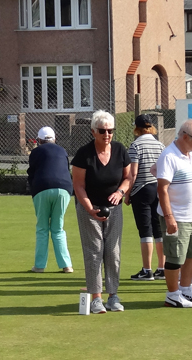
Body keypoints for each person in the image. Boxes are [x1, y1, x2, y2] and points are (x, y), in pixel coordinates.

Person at [71, 110, 131, 313]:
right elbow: (78, 185)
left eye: (110, 131)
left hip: (114, 209)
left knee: (113, 251)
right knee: (94, 251)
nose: (107, 134)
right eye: (102, 131)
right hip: (89, 208)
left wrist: (120, 192)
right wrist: (89, 208)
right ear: (93, 131)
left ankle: (113, 296)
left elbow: (128, 177)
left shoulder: (120, 150)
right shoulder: (84, 154)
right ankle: (96, 298)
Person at [154, 119, 192, 308]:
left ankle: (186, 289)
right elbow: (162, 189)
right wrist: (169, 218)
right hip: (176, 216)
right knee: (175, 257)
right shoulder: (169, 156)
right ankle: (172, 294)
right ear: (185, 136)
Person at [27, 126, 74, 274]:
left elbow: (31, 173)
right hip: (64, 189)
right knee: (58, 228)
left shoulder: (35, 152)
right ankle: (67, 265)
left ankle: (39, 266)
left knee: (42, 228)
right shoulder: (62, 150)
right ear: (54, 139)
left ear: (39, 140)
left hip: (42, 188)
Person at [125, 114, 166, 281]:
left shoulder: (135, 146)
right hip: (158, 188)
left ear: (137, 128)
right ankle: (162, 268)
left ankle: (146, 270)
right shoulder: (161, 145)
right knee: (159, 229)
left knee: (145, 230)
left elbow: (133, 173)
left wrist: (127, 193)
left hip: (141, 190)